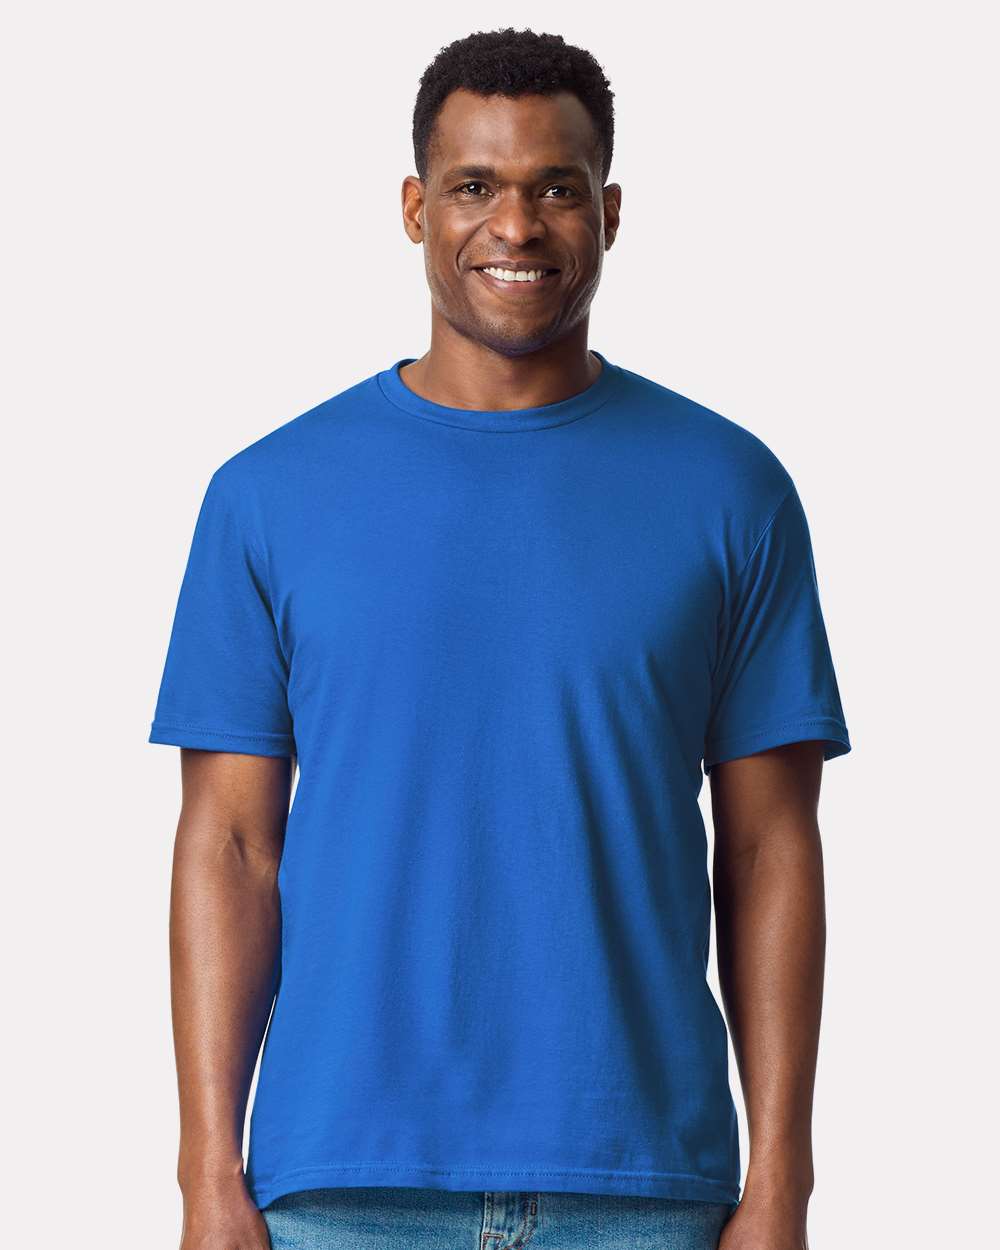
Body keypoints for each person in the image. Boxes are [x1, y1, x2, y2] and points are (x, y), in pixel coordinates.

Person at [149, 26, 851, 1250]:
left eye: (554, 189)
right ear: (415, 208)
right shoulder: (266, 495)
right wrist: (207, 1176)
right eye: (474, 185)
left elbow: (768, 848)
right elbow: (231, 847)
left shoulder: (730, 490)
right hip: (340, 1184)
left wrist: (781, 1181)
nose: (514, 226)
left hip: (642, 1182)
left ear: (609, 213)